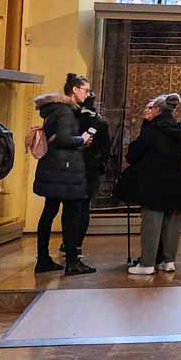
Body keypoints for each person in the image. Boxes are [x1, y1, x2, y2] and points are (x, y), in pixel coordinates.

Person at [31, 88, 94, 276]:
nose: (88, 94)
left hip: (52, 169)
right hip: (66, 171)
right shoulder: (66, 112)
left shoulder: (52, 111)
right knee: (71, 215)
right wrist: (82, 140)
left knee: (49, 212)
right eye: (86, 89)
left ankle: (42, 259)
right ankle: (72, 262)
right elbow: (65, 139)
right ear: (75, 90)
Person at [127, 95, 181, 276]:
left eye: (151, 108)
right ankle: (168, 261)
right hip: (176, 181)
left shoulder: (152, 129)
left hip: (153, 182)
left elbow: (134, 154)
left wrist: (146, 125)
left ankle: (147, 263)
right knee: (171, 223)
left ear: (158, 110)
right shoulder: (178, 129)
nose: (147, 111)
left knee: (151, 223)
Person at [69, 74, 110, 274]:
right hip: (89, 167)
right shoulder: (99, 123)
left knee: (69, 209)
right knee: (83, 208)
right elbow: (106, 149)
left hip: (71, 167)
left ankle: (70, 246)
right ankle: (75, 247)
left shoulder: (70, 117)